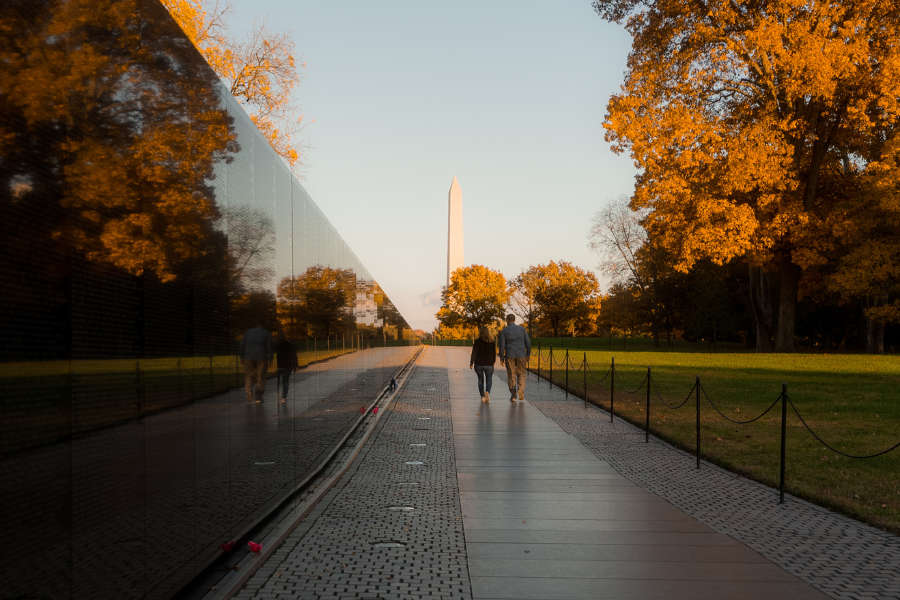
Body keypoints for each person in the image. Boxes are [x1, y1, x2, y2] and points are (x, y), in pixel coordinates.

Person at [498, 314, 531, 402]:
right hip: (521, 354)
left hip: (510, 355)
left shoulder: (505, 330)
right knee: (521, 373)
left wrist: (501, 357)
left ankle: (513, 395)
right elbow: (527, 341)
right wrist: (528, 353)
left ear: (507, 320)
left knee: (511, 374)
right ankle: (521, 389)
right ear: (514, 320)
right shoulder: (522, 329)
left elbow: (502, 345)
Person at [239, 320, 274, 403]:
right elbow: (269, 347)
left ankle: (249, 391)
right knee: (261, 376)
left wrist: (241, 356)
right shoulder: (266, 334)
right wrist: (271, 358)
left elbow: (242, 344)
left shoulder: (248, 332)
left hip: (249, 357)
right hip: (262, 357)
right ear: (264, 324)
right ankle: (258, 395)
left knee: (249, 375)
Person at [469, 325, 496, 403]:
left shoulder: (477, 342)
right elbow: (493, 353)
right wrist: (493, 362)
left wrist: (471, 362)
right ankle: (487, 392)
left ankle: (482, 396)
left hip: (479, 364)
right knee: (489, 380)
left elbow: (474, 353)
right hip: (489, 364)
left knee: (480, 380)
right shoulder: (491, 342)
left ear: (480, 332)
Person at [274, 329, 298, 403]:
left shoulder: (276, 345)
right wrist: (295, 365)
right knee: (285, 382)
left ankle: (277, 395)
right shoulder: (288, 344)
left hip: (278, 365)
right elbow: (292, 355)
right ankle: (283, 397)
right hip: (287, 365)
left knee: (277, 382)